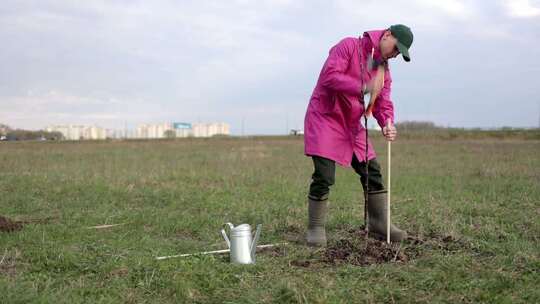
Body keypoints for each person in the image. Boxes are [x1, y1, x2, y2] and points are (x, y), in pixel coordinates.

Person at [303, 24, 413, 246]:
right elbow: (329, 77)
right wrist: (363, 85)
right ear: (387, 35)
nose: (394, 55)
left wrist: (387, 123)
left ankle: (379, 224)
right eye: (395, 48)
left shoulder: (383, 70)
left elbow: (383, 102)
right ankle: (315, 228)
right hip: (326, 117)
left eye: (399, 54)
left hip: (352, 124)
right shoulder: (348, 46)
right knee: (324, 175)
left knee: (372, 170)